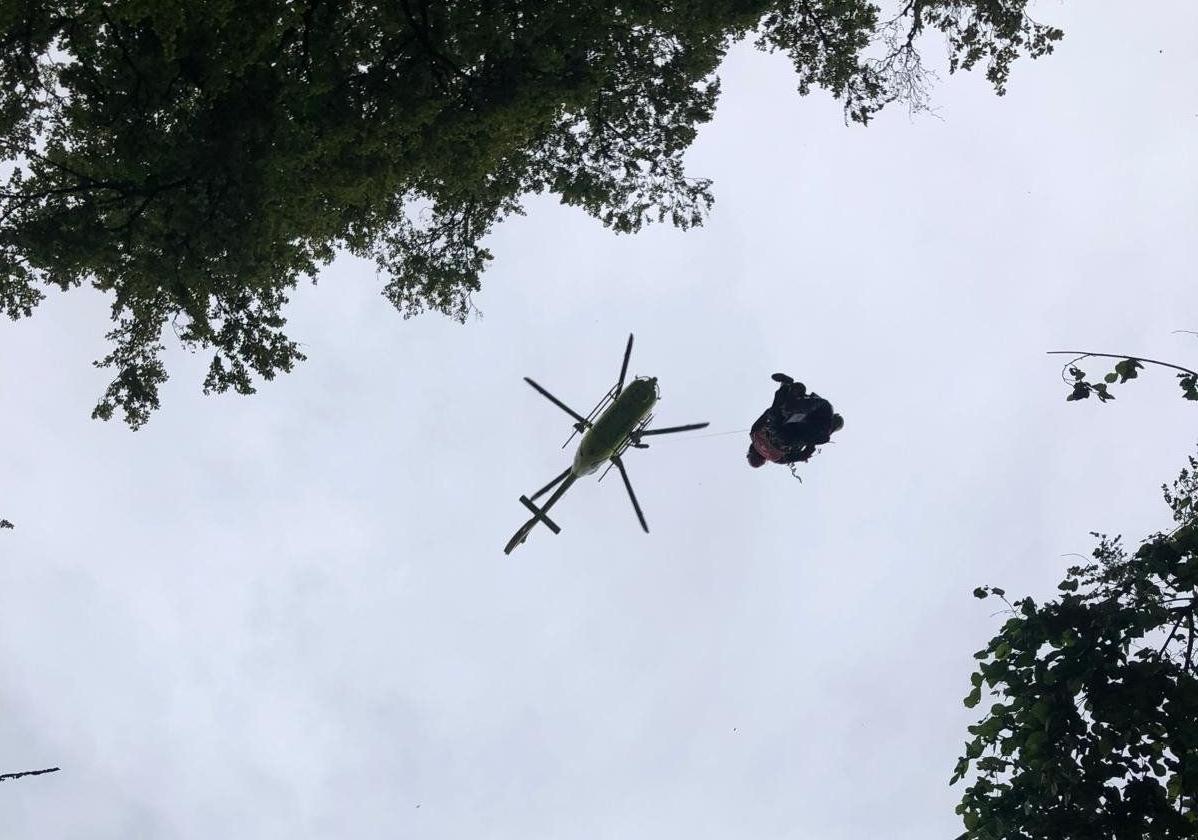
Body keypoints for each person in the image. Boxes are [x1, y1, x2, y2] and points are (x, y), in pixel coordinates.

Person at [747, 373, 843, 468]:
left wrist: (811, 443)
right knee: (779, 411)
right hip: (786, 422)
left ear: (763, 460)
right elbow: (768, 412)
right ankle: (787, 387)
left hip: (796, 432)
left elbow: (804, 454)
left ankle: (789, 393)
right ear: (751, 451)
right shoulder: (754, 434)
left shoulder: (777, 459)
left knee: (815, 429)